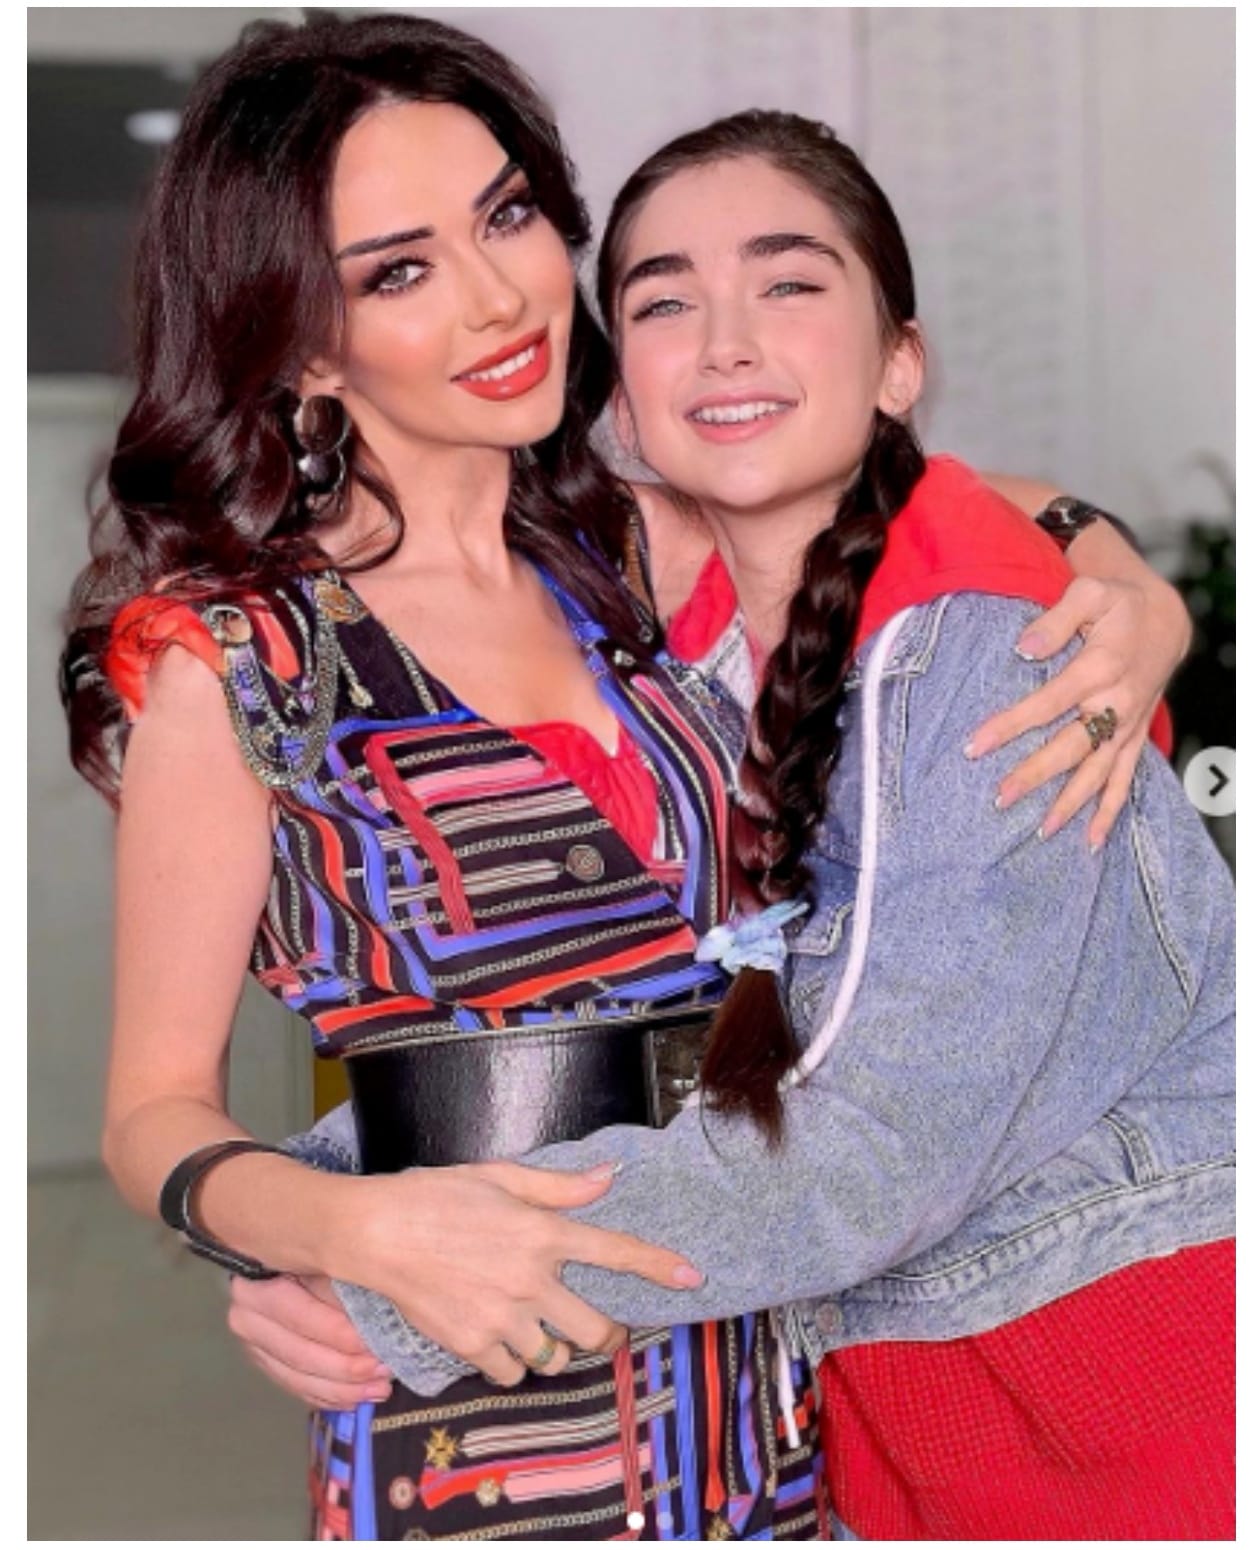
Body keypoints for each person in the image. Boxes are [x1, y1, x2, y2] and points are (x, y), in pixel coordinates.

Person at [60, 10, 1193, 1540]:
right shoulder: (240, 661)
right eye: (400, 271)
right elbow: (152, 1116)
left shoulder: (646, 549)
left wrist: (1122, 580)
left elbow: (924, 484)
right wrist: (340, 1229)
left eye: (506, 217)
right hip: (487, 1399)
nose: (498, 296)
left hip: (780, 1362)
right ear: (305, 337)